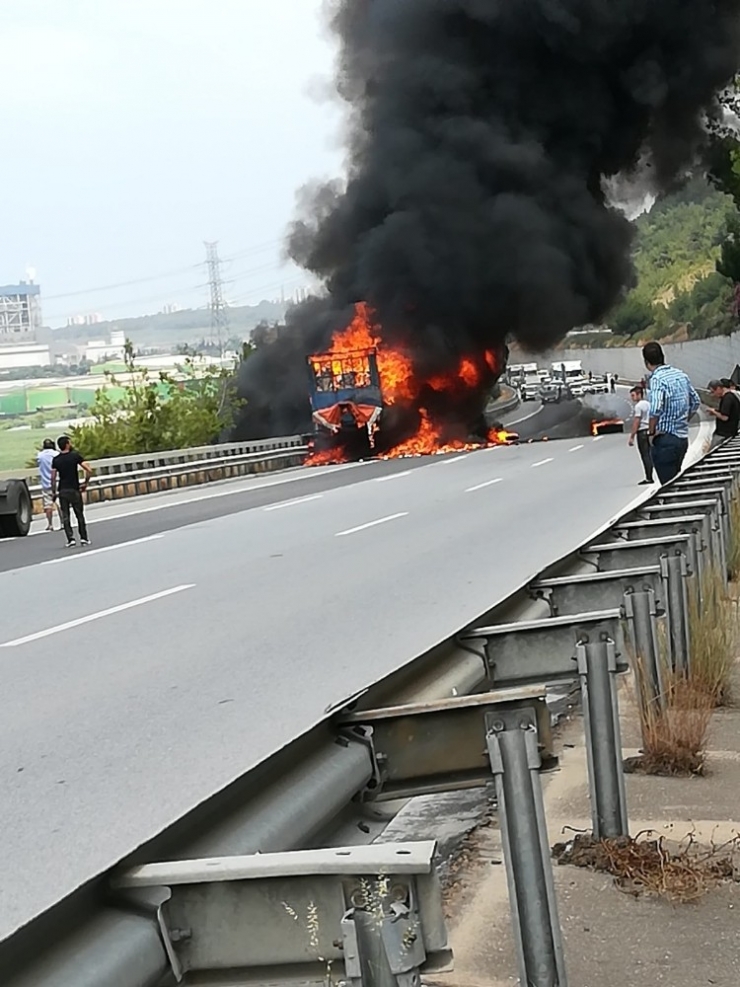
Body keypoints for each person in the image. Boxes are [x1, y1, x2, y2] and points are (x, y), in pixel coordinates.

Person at [643, 342, 700, 485]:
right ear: (663, 356)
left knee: (669, 487)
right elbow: (696, 401)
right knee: (676, 480)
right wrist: (684, 420)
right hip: (682, 438)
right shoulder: (680, 375)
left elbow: (655, 409)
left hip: (665, 439)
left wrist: (651, 433)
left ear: (646, 362)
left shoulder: (656, 379)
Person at [51, 436, 93, 548]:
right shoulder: (74, 456)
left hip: (63, 490)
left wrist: (53, 492)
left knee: (66, 516)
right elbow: (88, 469)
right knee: (79, 514)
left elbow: (53, 477)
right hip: (74, 489)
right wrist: (85, 482)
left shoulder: (56, 460)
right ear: (67, 444)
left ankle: (71, 539)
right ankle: (84, 538)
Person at [627, 386, 653, 485]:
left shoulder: (638, 406)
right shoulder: (649, 404)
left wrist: (632, 436)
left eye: (633, 395)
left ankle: (649, 477)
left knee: (645, 455)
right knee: (650, 454)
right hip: (649, 430)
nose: (632, 398)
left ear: (639, 394)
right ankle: (652, 475)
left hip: (642, 432)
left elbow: (637, 421)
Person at [706, 379, 740, 450]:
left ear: (718, 388)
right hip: (730, 432)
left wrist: (714, 411)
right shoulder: (731, 397)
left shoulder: (727, 399)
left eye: (713, 392)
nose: (713, 395)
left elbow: (725, 417)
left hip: (723, 434)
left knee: (711, 451)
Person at [36, 438, 58, 531]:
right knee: (60, 503)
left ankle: (50, 524)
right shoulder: (56, 454)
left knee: (48, 505)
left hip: (45, 483)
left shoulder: (40, 455)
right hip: (57, 481)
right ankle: (63, 522)